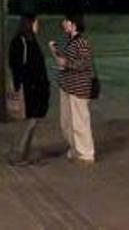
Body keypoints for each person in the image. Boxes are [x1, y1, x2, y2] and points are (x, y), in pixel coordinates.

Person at [49, 12, 96, 164]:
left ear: (73, 24)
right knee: (67, 122)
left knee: (80, 122)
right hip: (67, 87)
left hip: (78, 88)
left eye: (66, 21)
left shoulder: (81, 42)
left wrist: (66, 64)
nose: (63, 24)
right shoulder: (71, 40)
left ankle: (86, 154)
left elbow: (84, 63)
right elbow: (66, 59)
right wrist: (55, 51)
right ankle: (76, 149)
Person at [7, 14, 50, 166]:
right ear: (29, 24)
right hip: (29, 89)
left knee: (30, 121)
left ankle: (22, 152)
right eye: (36, 23)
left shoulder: (29, 41)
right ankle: (19, 154)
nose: (38, 26)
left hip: (33, 88)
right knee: (29, 121)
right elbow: (18, 66)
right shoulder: (22, 42)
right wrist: (23, 84)